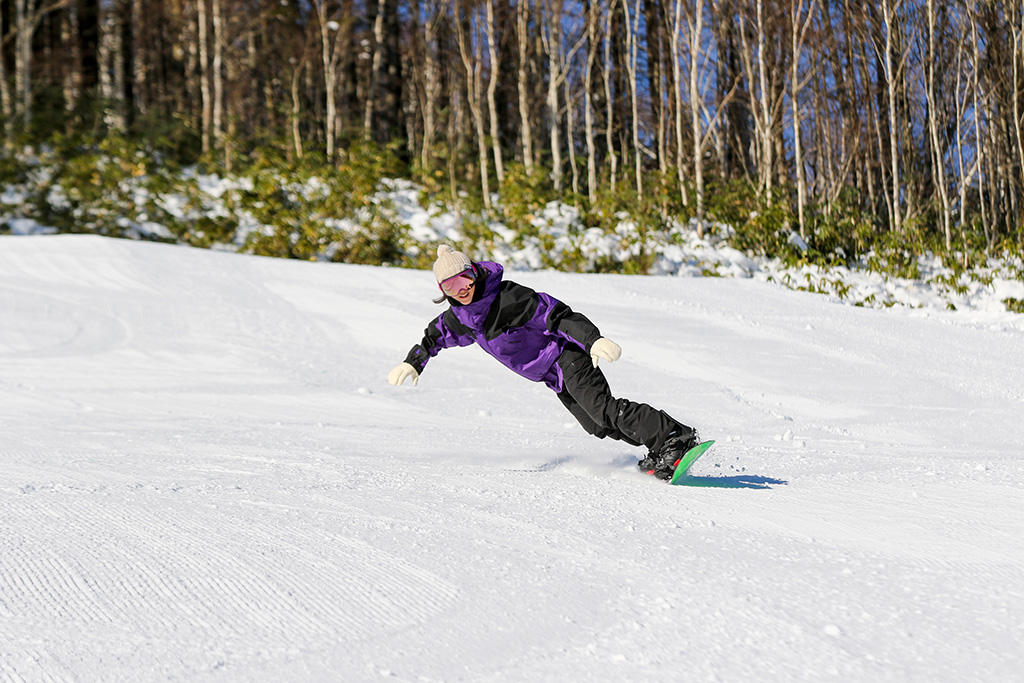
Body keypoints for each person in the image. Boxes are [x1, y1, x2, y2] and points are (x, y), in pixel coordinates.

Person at [387, 245, 700, 480]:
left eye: (466, 279)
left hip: (567, 356)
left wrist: (592, 340)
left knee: (603, 408)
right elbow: (434, 337)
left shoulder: (508, 298)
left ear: (475, 272)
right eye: (452, 287)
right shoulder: (462, 319)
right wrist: (414, 362)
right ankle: (657, 449)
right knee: (596, 425)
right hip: (553, 376)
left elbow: (557, 315)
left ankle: (673, 436)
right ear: (444, 293)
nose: (464, 290)